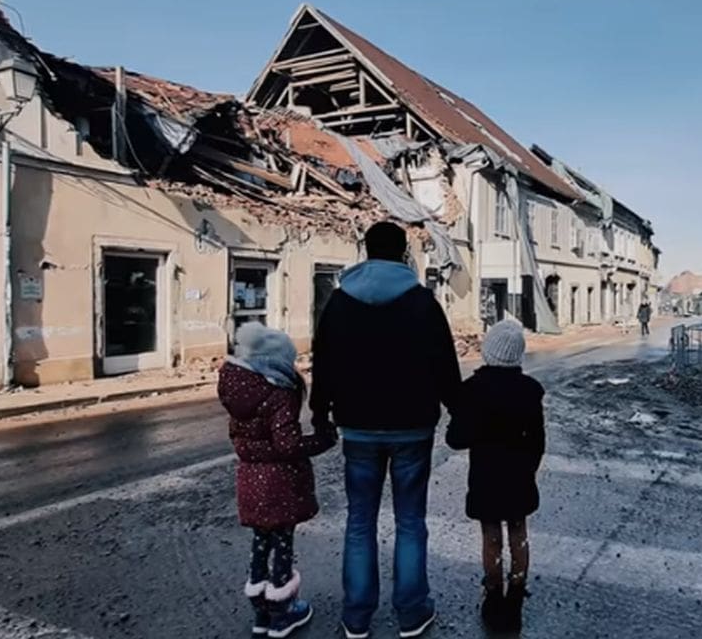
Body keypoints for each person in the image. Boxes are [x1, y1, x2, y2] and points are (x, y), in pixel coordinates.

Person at [310, 221, 461, 639]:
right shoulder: (423, 302)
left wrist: (320, 413)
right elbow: (444, 362)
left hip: (358, 427)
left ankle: (356, 616)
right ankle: (411, 612)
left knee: (360, 522)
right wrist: (459, 409)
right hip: (413, 427)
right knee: (410, 521)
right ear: (403, 253)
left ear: (366, 250)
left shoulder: (340, 301)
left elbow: (324, 360)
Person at [219, 322, 337, 639]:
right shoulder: (279, 394)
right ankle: (283, 614)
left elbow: (241, 439)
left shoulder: (239, 391)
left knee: (260, 544)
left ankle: (260, 614)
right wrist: (323, 440)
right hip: (279, 483)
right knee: (283, 545)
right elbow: (288, 445)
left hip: (250, 479)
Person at [445, 320, 545, 633]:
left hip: (486, 478)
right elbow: (538, 441)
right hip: (520, 477)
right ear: (517, 354)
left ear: (489, 351)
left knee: (491, 538)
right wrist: (529, 469)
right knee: (519, 533)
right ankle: (515, 598)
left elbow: (456, 439)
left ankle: (493, 596)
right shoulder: (530, 390)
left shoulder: (473, 390)